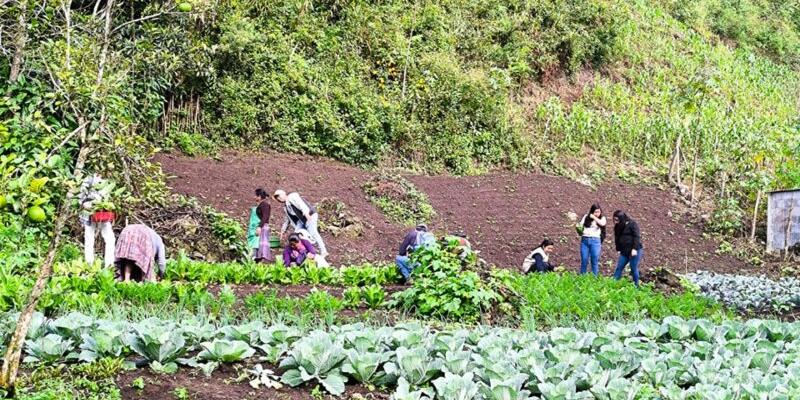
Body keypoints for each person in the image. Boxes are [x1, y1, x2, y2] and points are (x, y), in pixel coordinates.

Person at [274, 190, 328, 258]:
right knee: (297, 234)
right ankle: (303, 252)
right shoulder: (286, 207)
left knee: (313, 233)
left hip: (310, 215)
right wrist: (283, 230)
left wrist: (306, 214)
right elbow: (287, 220)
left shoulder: (292, 197)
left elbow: (301, 204)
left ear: (284, 193)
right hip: (301, 220)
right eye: (277, 198)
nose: (279, 198)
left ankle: (324, 251)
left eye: (279, 196)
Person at [79, 174, 115, 267]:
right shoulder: (90, 178)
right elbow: (81, 195)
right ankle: (89, 264)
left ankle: (109, 265)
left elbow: (109, 196)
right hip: (89, 214)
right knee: (89, 238)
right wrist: (86, 205)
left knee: (110, 238)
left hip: (103, 213)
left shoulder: (108, 180)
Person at [612, 210, 643, 287]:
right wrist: (618, 249)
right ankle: (613, 283)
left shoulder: (632, 224)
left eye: (617, 220)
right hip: (624, 251)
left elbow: (636, 236)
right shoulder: (617, 226)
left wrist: (634, 249)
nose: (615, 222)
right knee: (619, 267)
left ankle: (636, 285)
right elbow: (617, 238)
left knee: (633, 268)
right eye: (614, 220)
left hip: (634, 251)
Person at [577, 203, 606, 276]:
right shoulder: (586, 217)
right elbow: (581, 225)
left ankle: (594, 277)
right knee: (584, 259)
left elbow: (602, 224)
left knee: (594, 259)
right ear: (592, 211)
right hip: (585, 239)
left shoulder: (602, 218)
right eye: (595, 212)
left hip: (595, 240)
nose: (597, 214)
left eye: (598, 212)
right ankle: (582, 276)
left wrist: (594, 217)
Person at [253, 188, 274, 263]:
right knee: (260, 242)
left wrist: (259, 227)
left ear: (259, 196)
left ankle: (263, 258)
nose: (254, 197)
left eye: (256, 195)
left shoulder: (265, 204)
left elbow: (265, 217)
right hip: (262, 225)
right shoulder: (262, 204)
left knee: (263, 242)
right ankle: (259, 257)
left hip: (263, 226)